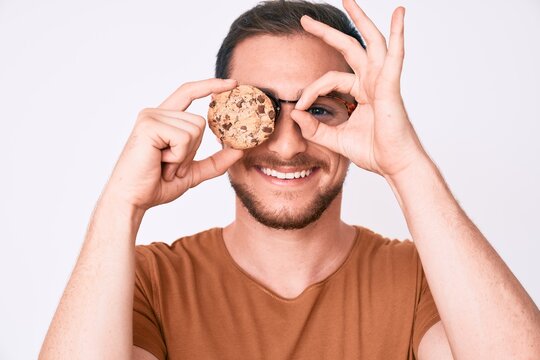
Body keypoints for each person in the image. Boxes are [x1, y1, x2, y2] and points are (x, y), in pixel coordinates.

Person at [39, 0, 540, 359]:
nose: (286, 144)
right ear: (220, 118)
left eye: (318, 108)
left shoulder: (423, 278)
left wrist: (406, 165)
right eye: (260, 108)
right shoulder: (145, 279)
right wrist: (120, 205)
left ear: (356, 115)